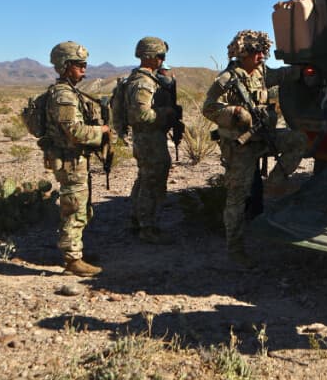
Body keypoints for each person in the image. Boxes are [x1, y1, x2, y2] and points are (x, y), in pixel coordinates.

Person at [202, 30, 307, 268]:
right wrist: (235, 113)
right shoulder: (227, 79)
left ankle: (274, 183)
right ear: (243, 53)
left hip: (264, 137)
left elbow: (282, 75)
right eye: (257, 52)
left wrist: (303, 70)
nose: (261, 57)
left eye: (263, 52)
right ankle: (235, 249)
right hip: (240, 145)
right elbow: (208, 108)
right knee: (237, 198)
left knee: (298, 140)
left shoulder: (262, 73)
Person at [44, 41, 111, 277]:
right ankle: (72, 259)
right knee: (73, 208)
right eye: (78, 64)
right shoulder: (64, 95)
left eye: (84, 64)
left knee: (81, 207)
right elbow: (74, 131)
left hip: (75, 159)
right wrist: (102, 131)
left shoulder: (70, 92)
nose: (84, 68)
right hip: (69, 159)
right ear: (64, 66)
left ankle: (76, 251)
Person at [125, 36, 179, 244]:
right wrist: (166, 113)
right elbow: (142, 115)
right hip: (149, 139)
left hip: (147, 138)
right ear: (149, 56)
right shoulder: (143, 83)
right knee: (152, 182)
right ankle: (148, 228)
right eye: (160, 55)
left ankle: (136, 219)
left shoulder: (141, 79)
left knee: (145, 178)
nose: (162, 60)